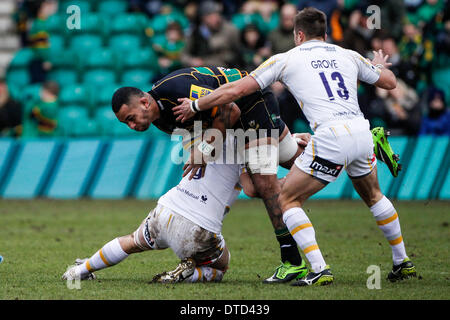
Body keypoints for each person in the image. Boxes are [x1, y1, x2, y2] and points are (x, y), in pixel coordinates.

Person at [173, 7, 416, 286]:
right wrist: (378, 66)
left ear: (298, 35)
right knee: (374, 196)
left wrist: (196, 104)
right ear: (324, 34)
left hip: (331, 136)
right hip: (360, 131)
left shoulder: (286, 59)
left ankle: (319, 269)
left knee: (286, 199)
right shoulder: (348, 54)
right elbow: (389, 82)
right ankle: (402, 262)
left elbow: (238, 89)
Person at [111, 65, 309, 284]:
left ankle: (292, 261)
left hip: (252, 103)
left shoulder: (177, 90)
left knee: (266, 185)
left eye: (131, 118)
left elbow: (230, 109)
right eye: (126, 123)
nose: (131, 125)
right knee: (264, 184)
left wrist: (204, 150)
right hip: (234, 127)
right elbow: (206, 128)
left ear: (144, 103)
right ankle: (323, 150)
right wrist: (204, 149)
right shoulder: (160, 119)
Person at [62, 133, 311, 283]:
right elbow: (253, 189)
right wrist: (286, 184)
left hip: (167, 207)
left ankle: (79, 271)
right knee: (220, 268)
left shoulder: (212, 134)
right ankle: (190, 274)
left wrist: (291, 139)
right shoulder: (250, 145)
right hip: (199, 227)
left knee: (131, 241)